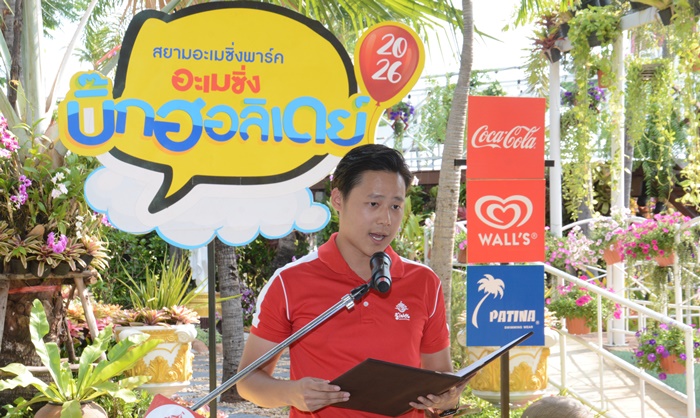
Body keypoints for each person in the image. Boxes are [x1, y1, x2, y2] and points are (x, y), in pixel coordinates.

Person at [237, 144, 465, 417]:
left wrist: (447, 401)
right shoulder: (289, 282)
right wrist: (292, 393)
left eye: (395, 206)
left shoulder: (424, 281)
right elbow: (248, 381)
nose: (386, 219)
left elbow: (441, 376)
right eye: (374, 204)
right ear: (338, 199)